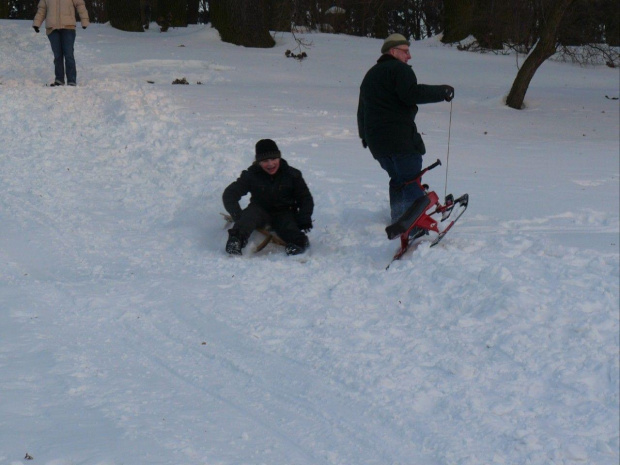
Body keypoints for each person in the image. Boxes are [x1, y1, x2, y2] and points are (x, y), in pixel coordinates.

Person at [357, 33, 454, 225]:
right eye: (406, 52)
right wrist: (442, 92)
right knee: (410, 179)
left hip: (378, 144)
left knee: (398, 179)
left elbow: (362, 109)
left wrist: (365, 136)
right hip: (399, 139)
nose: (409, 56)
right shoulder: (399, 70)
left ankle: (399, 220)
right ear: (393, 51)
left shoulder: (371, 75)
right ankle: (414, 225)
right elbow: (411, 93)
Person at [223, 139, 314, 256]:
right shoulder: (252, 175)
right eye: (265, 160)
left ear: (279, 158)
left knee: (288, 227)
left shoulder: (292, 175)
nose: (270, 164)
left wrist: (304, 217)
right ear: (259, 162)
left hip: (284, 211)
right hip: (259, 210)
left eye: (274, 159)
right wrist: (237, 215)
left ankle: (299, 244)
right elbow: (230, 193)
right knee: (248, 217)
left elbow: (305, 198)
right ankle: (236, 241)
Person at [33, 0, 90, 87]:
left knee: (68, 54)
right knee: (57, 55)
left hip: (68, 27)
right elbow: (42, 9)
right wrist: (37, 23)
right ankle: (59, 80)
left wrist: (84, 21)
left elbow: (80, 5)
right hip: (52, 29)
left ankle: (71, 80)